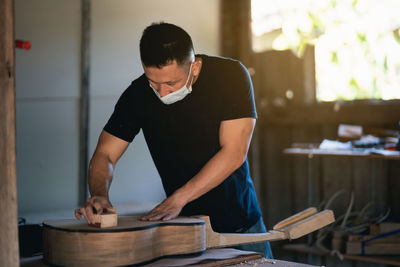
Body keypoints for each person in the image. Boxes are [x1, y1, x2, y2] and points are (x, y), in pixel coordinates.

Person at [75, 22, 273, 258]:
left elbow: (234, 152)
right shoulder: (137, 95)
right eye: (153, 82)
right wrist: (100, 195)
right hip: (184, 228)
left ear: (195, 67)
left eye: (171, 83)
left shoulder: (229, 76)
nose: (161, 93)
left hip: (240, 224)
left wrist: (178, 199)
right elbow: (105, 154)